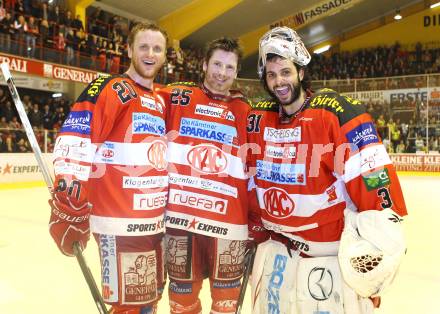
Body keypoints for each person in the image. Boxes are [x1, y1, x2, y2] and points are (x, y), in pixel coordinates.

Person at [247, 27, 408, 314]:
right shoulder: (258, 119)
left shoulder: (335, 113)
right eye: (271, 75)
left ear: (301, 73)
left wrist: (374, 260)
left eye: (285, 72)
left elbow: (374, 181)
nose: (278, 82)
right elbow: (248, 182)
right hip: (277, 259)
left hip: (327, 261)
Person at [48, 22, 168, 314]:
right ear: (128, 50)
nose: (150, 53)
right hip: (119, 227)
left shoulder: (159, 99)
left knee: (147, 306)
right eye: (143, 46)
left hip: (155, 226)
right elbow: (76, 141)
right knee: (131, 309)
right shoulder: (111, 88)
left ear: (165, 55)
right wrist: (69, 200)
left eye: (157, 48)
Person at [157, 37, 251, 314]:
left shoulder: (245, 110)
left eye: (229, 67)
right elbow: (139, 109)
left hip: (228, 225)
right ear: (204, 64)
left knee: (225, 305)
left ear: (236, 72)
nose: (222, 72)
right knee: (183, 305)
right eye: (217, 64)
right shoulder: (176, 96)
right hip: (181, 222)